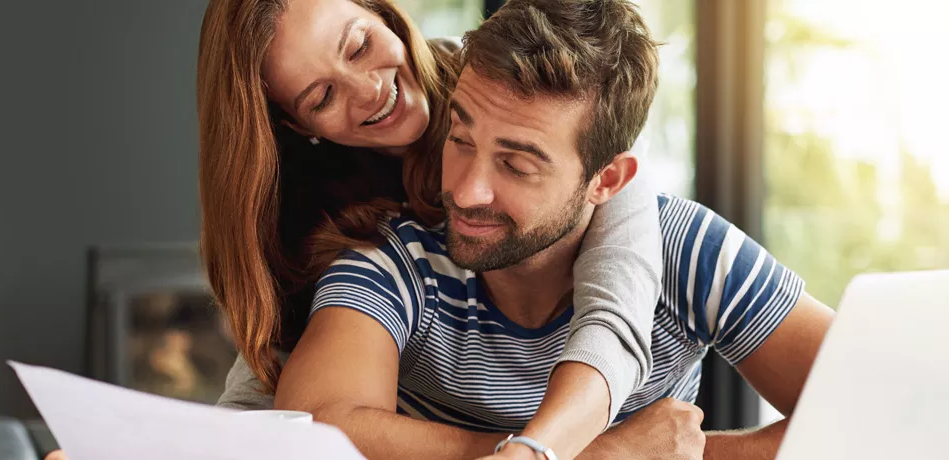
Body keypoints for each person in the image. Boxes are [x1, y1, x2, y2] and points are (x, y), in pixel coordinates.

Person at [262, 0, 836, 459]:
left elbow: (884, 404)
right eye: (459, 141)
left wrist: (689, 454)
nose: (464, 192)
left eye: (517, 164)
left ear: (607, 179)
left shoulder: (683, 249)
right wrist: (603, 456)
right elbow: (314, 429)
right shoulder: (391, 262)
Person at [199, 0, 662, 443]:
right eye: (322, 97)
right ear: (299, 127)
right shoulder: (306, 224)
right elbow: (268, 395)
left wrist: (546, 448)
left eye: (359, 46)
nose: (369, 90)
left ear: (383, 13)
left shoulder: (529, 94)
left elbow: (619, 305)